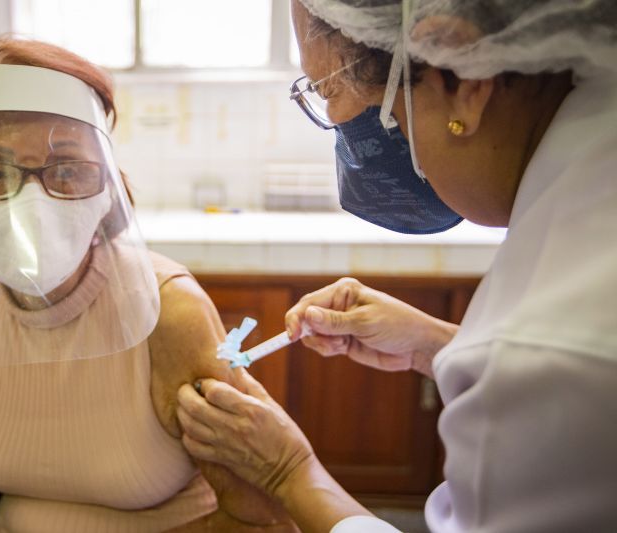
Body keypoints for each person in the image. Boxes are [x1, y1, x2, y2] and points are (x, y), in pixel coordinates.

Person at [177, 1, 617, 531]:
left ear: (462, 73)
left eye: (327, 89)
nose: (338, 126)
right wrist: (436, 344)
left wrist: (286, 473)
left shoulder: (553, 350)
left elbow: (550, 373)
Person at [0, 38, 296, 533]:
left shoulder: (167, 313)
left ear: (107, 190)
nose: (30, 203)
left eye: (67, 169)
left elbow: (259, 517)